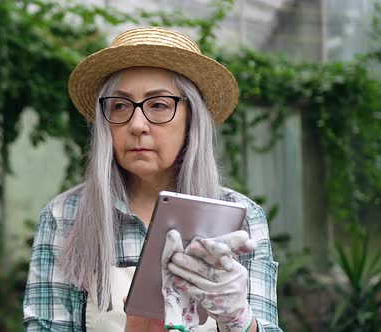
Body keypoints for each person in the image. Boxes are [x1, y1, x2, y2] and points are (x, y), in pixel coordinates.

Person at [23, 26, 281, 332]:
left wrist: (237, 318)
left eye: (158, 105)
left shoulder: (241, 217)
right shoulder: (65, 216)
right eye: (120, 106)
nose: (136, 124)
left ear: (191, 119)